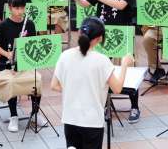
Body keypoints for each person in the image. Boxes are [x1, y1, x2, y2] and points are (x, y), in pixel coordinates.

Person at [73, 0, 140, 123]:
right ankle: (104, 105)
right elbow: (86, 3)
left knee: (128, 68)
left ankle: (134, 106)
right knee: (103, 69)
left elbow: (121, 5)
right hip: (104, 33)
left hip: (123, 32)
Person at [51, 16, 134, 149]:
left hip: (70, 118)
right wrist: (124, 64)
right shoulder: (102, 60)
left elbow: (54, 85)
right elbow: (117, 88)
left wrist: (74, 89)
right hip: (92, 122)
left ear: (79, 33)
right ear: (99, 38)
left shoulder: (65, 55)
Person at [0, 0, 42, 133]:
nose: (20, 11)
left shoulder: (30, 24)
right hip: (6, 64)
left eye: (22, 8)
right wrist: (7, 54)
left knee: (37, 79)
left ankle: (35, 113)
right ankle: (13, 115)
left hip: (24, 63)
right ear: (10, 8)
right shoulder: (1, 26)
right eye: (16, 8)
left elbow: (33, 44)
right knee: (11, 82)